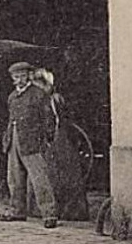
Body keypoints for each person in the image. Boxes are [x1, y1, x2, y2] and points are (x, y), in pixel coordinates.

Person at [0, 61, 59, 228]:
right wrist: (7, 139)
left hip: (33, 141)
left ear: (28, 76)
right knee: (15, 179)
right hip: (14, 140)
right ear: (12, 78)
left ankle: (49, 214)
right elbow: (11, 120)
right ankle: (18, 210)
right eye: (16, 77)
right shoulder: (12, 97)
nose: (19, 80)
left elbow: (49, 119)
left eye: (23, 76)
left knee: (40, 179)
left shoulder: (39, 94)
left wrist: (47, 139)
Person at [31, 67, 90, 222]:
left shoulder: (54, 100)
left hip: (59, 141)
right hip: (51, 141)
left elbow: (57, 120)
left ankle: (68, 210)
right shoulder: (44, 100)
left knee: (63, 174)